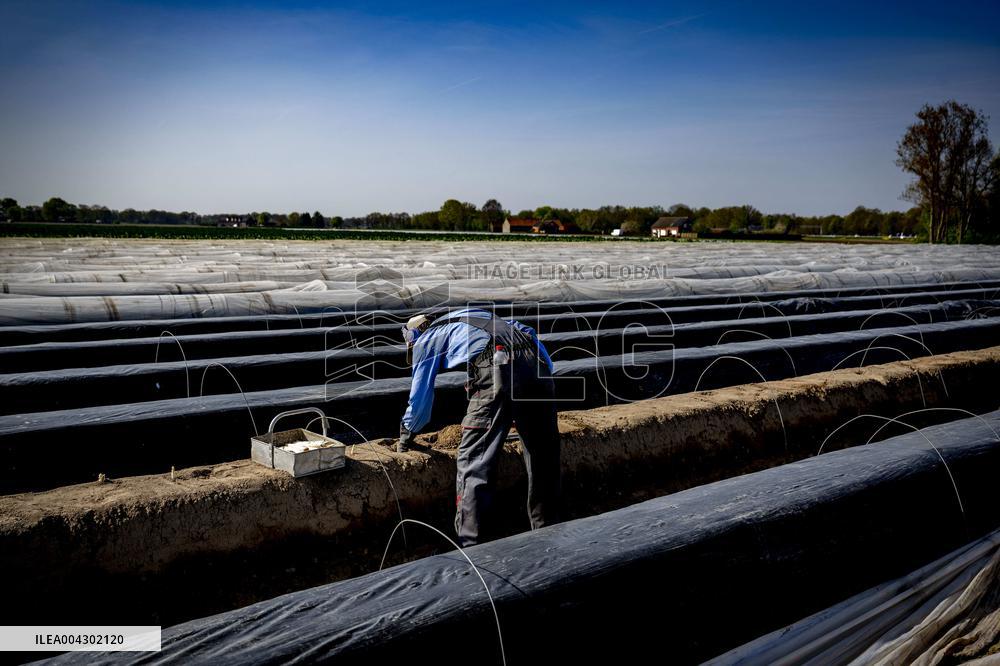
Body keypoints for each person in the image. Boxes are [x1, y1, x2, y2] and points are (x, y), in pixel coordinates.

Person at [399, 307, 561, 546]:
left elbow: (420, 399)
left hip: (498, 368)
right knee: (544, 457)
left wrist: (407, 431)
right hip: (538, 368)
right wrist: (530, 383)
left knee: (474, 460)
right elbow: (529, 334)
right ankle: (549, 534)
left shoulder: (427, 338)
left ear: (415, 335)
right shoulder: (476, 318)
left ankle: (472, 546)